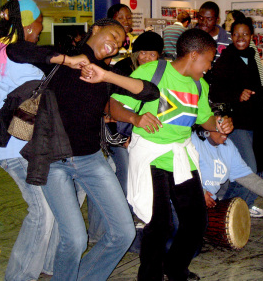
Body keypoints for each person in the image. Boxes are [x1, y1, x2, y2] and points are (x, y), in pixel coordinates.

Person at [9, 17, 160, 280]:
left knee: (124, 232)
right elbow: (15, 50)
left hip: (91, 160)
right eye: (113, 36)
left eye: (120, 44)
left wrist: (106, 75)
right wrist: (68, 60)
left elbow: (150, 92)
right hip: (54, 161)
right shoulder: (63, 59)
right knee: (75, 239)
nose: (114, 45)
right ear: (96, 29)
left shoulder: (107, 74)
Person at [0, 0, 89, 281]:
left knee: (63, 199)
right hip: (16, 147)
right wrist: (67, 60)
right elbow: (36, 64)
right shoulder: (12, 53)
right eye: (39, 21)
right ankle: (19, 276)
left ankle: (49, 264)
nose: (41, 27)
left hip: (19, 144)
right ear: (27, 23)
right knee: (43, 212)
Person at [111, 28, 233, 280]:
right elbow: (113, 105)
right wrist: (136, 117)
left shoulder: (200, 85)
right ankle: (149, 275)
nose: (208, 67)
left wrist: (219, 123)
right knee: (160, 224)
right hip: (151, 157)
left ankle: (175, 267)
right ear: (193, 55)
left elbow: (204, 119)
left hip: (181, 157)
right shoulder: (152, 72)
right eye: (208, 60)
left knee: (197, 222)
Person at [87, 30, 164, 243]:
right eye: (143, 53)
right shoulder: (123, 70)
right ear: (135, 53)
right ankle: (110, 228)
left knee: (114, 179)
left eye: (153, 54)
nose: (147, 58)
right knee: (117, 179)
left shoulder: (159, 73)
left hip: (128, 133)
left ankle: (119, 223)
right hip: (111, 135)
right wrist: (131, 120)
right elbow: (109, 103)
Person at [208, 17, 263, 217]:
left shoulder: (252, 56)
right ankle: (228, 207)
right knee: (248, 167)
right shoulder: (226, 59)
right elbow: (216, 92)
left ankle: (242, 205)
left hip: (254, 121)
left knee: (254, 166)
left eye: (245, 34)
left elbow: (258, 86)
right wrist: (237, 95)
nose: (240, 38)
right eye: (236, 34)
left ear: (251, 37)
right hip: (235, 123)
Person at [191, 126, 263, 212]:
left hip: (209, 202)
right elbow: (182, 171)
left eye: (229, 126)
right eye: (220, 126)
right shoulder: (192, 140)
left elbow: (243, 175)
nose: (226, 132)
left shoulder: (228, 145)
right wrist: (200, 193)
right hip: (188, 198)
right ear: (207, 126)